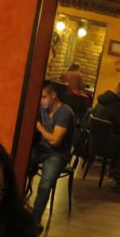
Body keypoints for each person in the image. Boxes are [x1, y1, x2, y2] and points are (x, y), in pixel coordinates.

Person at [29, 81, 76, 229]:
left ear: (53, 95)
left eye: (44, 97)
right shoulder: (43, 108)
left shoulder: (65, 112)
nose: (41, 101)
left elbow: (55, 141)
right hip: (42, 147)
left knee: (45, 184)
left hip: (58, 153)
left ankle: (34, 221)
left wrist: (39, 127)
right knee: (21, 164)